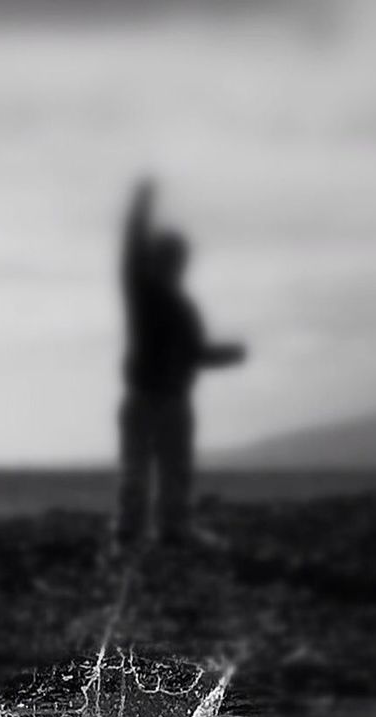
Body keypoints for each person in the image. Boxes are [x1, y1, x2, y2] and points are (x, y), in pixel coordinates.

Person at [117, 179, 246, 547]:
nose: (179, 265)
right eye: (174, 258)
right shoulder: (144, 292)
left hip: (170, 398)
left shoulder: (182, 308)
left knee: (172, 470)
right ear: (162, 260)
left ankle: (169, 529)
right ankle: (132, 532)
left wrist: (228, 355)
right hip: (148, 396)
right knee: (139, 470)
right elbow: (132, 248)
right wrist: (140, 204)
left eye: (180, 259)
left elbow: (193, 355)